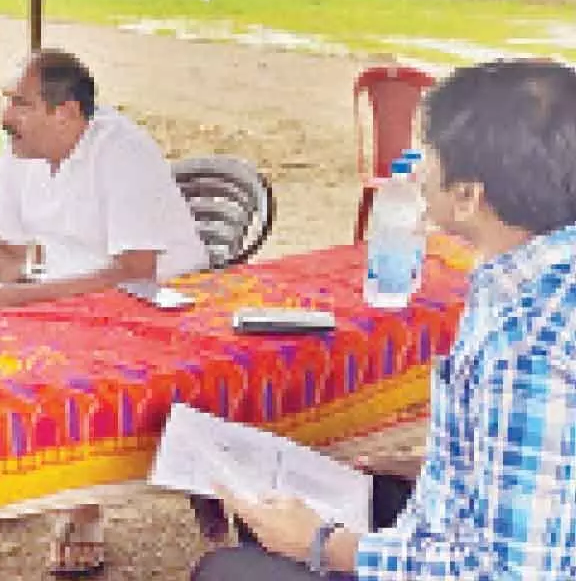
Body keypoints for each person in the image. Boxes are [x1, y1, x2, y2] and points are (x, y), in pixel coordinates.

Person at [192, 58, 576, 580]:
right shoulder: (528, 271)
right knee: (277, 507)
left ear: (468, 196)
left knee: (229, 572)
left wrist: (325, 545)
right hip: (468, 528)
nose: (416, 168)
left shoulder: (527, 347)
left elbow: (508, 573)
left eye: (430, 154)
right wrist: (425, 468)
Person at [0, 48, 210, 577]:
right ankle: (2, 468)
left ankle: (83, 507)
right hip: (66, 294)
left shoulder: (124, 152)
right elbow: (7, 253)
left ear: (67, 114)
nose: (6, 117)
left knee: (61, 351)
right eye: (9, 101)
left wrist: (11, 302)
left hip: (154, 303)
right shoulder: (20, 150)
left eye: (21, 104)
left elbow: (134, 273)